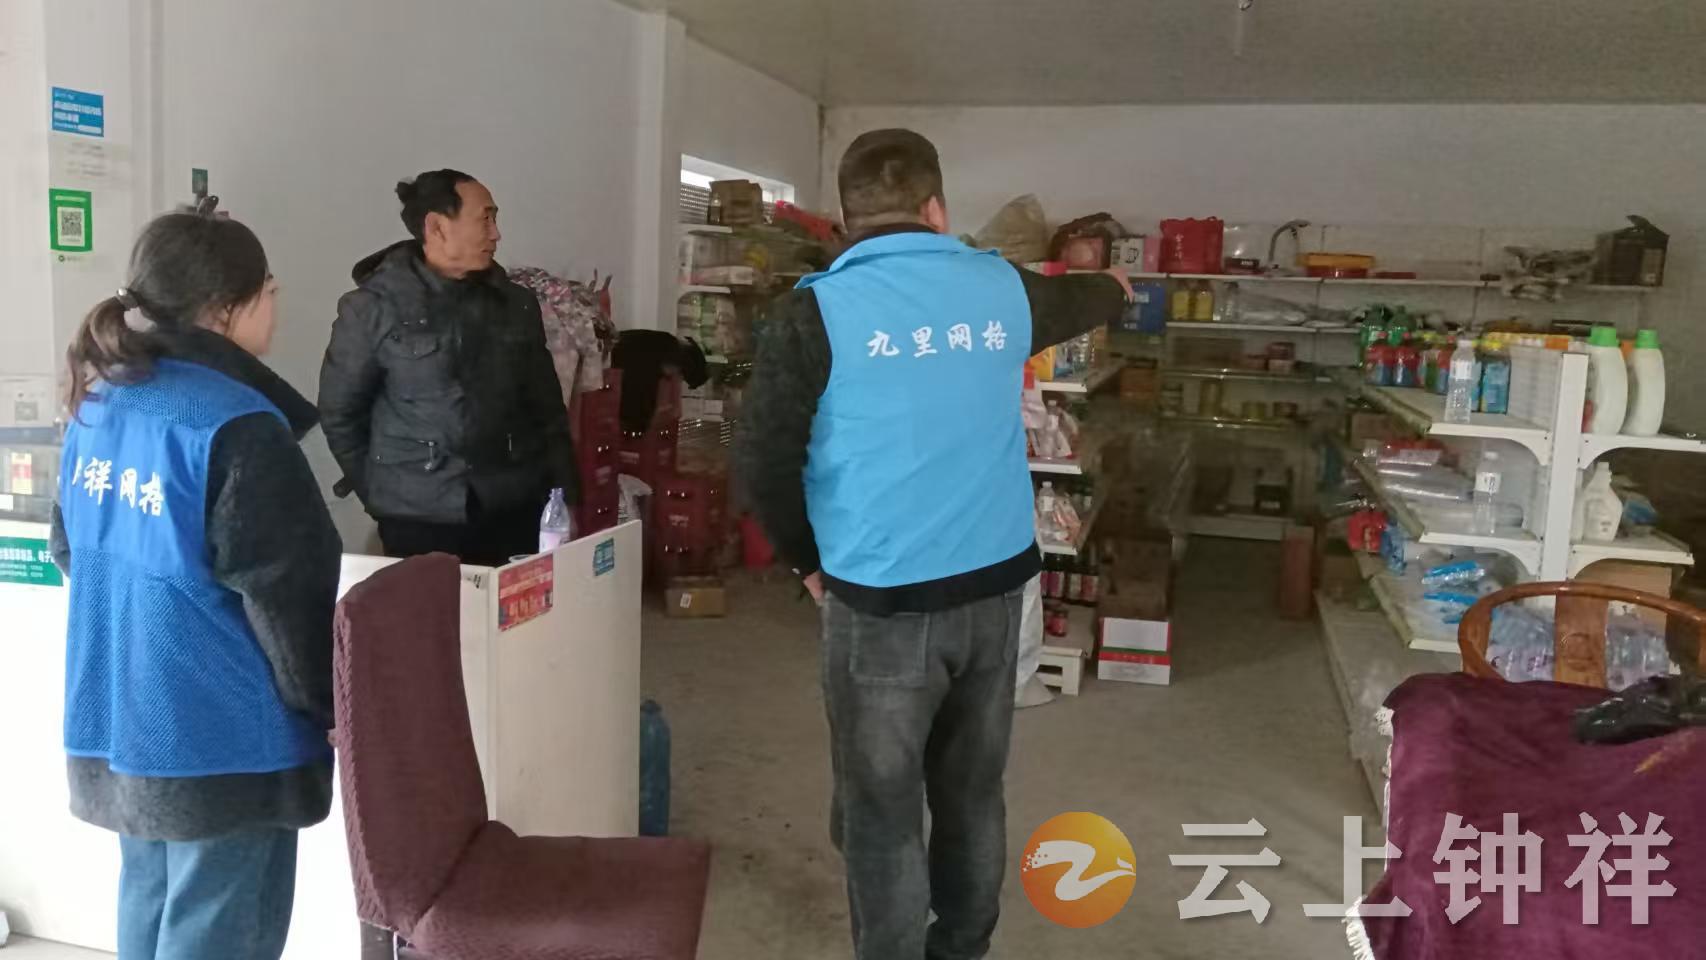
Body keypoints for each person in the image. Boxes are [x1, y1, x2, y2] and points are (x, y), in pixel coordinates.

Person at [736, 129, 1132, 960]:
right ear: (937, 208)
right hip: (995, 593)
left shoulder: (814, 312)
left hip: (880, 599)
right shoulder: (1005, 289)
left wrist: (807, 563)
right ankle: (961, 947)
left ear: (846, 217)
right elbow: (1092, 297)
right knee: (972, 794)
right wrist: (1114, 286)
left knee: (880, 811)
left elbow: (765, 462)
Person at [52, 211, 342, 960]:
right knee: (219, 933)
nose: (276, 303)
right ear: (225, 307)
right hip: (227, 736)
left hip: (126, 715)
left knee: (150, 913)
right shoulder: (238, 425)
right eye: (269, 289)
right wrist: (330, 706)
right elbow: (289, 599)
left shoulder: (99, 405)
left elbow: (71, 551)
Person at [319, 169, 578, 565]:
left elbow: (547, 411)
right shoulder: (373, 308)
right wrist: (380, 492)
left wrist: (565, 495)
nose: (496, 234)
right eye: (485, 219)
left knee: (512, 606)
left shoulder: (515, 304)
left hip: (513, 504)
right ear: (437, 227)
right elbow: (340, 414)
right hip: (417, 516)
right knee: (431, 608)